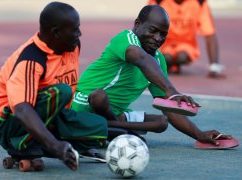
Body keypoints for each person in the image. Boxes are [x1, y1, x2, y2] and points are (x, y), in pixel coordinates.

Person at [71, 5, 231, 146]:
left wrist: (200, 135)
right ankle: (118, 132)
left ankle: (111, 129)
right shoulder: (125, 39)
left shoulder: (158, 60)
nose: (158, 38)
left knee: (161, 122)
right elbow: (141, 59)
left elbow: (169, 109)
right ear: (137, 24)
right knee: (99, 96)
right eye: (153, 31)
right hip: (85, 106)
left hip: (115, 114)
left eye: (163, 34)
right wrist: (172, 92)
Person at [0, 2, 108, 171]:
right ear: (56, 32)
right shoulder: (31, 59)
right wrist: (55, 145)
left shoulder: (72, 47)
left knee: (100, 127)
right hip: (11, 124)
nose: (79, 34)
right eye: (75, 30)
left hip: (50, 116)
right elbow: (22, 109)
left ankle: (41, 144)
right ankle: (20, 145)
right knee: (62, 91)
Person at [148, 0, 225, 78]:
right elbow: (148, 29)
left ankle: (175, 64)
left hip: (186, 45)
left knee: (182, 57)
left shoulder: (199, 2)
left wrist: (214, 66)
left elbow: (209, 33)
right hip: (163, 44)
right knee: (165, 58)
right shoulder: (158, 2)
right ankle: (170, 64)